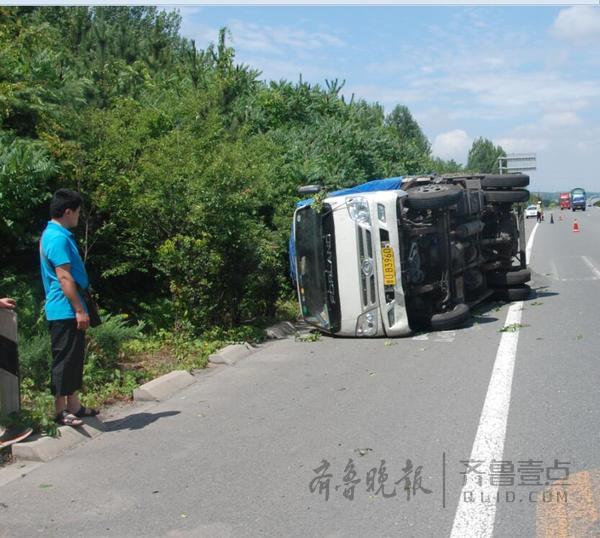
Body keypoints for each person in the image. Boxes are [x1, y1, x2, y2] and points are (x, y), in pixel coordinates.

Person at [39, 189, 98, 427]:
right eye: (78, 213)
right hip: (65, 309)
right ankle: (60, 411)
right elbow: (64, 277)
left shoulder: (58, 234)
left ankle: (74, 404)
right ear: (67, 211)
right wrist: (79, 309)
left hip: (69, 307)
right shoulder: (57, 238)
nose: (78, 217)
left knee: (74, 358)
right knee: (64, 359)